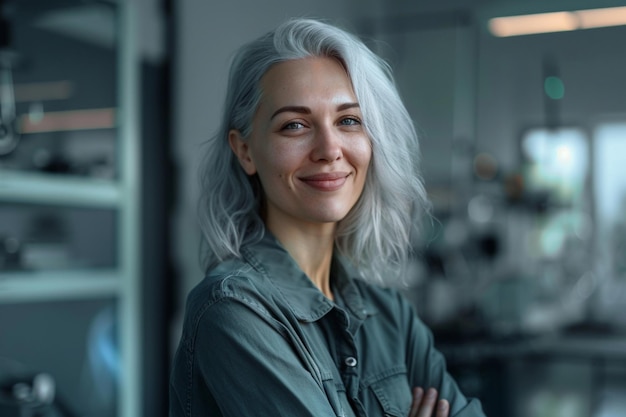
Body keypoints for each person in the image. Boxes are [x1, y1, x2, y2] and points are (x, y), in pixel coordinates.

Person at [169, 18, 486, 417]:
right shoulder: (232, 311)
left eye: (348, 120)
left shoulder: (389, 314)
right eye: (295, 125)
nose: (329, 148)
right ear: (245, 150)